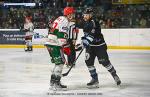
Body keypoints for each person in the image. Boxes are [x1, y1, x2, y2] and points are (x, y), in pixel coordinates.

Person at [81, 7, 121, 88]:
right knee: (88, 62)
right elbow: (86, 36)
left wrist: (85, 42)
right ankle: (95, 79)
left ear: (91, 15)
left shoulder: (94, 22)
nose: (84, 16)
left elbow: (92, 35)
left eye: (86, 15)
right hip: (90, 47)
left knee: (105, 62)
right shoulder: (85, 23)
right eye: (84, 15)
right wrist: (82, 43)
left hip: (99, 46)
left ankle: (114, 75)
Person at [44, 7, 75, 91]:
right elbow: (61, 36)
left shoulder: (59, 18)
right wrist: (66, 46)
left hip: (50, 43)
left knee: (57, 64)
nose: (72, 16)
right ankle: (56, 84)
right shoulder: (65, 21)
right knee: (60, 63)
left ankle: (53, 82)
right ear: (68, 14)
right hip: (55, 44)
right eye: (71, 14)